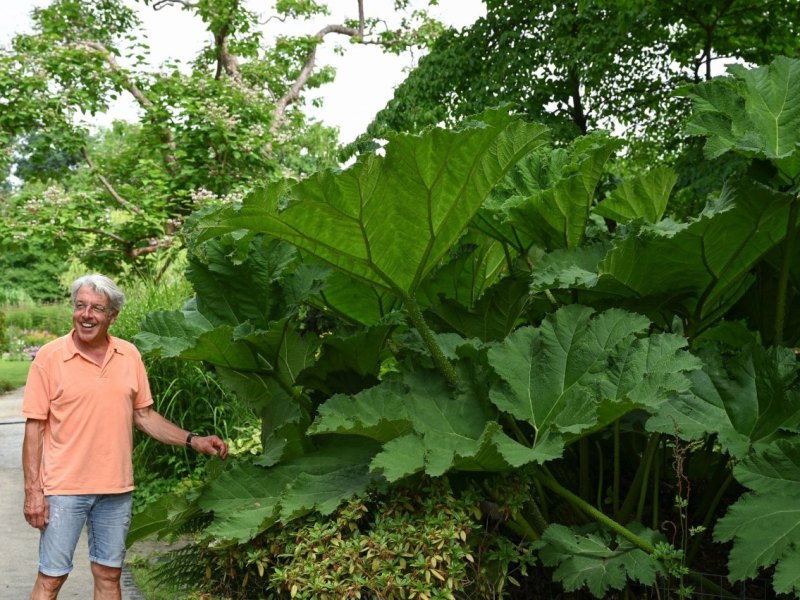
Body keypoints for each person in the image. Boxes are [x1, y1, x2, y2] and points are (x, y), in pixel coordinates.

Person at [21, 274, 229, 600]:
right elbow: (33, 428)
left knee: (109, 575)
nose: (86, 314)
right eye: (81, 306)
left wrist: (194, 440)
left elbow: (144, 415)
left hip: (116, 489)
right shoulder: (49, 357)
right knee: (52, 577)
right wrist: (33, 491)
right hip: (63, 489)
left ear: (112, 316)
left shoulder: (129, 355)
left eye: (96, 308)